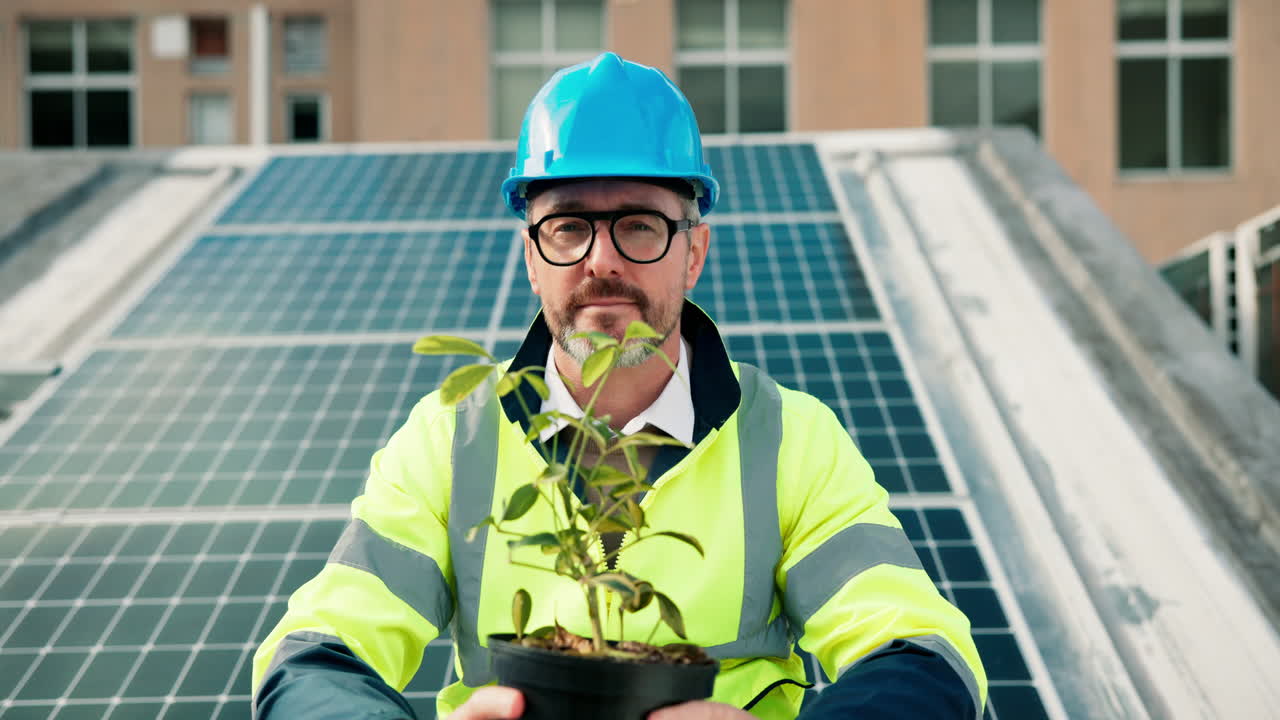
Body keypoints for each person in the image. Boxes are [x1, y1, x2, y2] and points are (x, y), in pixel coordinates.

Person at [252, 52, 986, 719]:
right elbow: (316, 654)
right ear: (533, 258)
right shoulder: (450, 437)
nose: (602, 260)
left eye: (639, 225)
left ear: (693, 251)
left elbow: (923, 653)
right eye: (568, 226)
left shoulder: (792, 438)